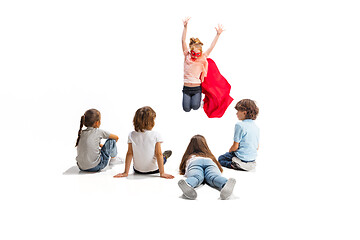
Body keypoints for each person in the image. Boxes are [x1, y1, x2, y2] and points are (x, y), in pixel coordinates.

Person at [113, 106, 174, 179]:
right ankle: (165, 157)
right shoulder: (156, 134)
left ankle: (163, 156)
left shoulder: (131, 134)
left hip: (138, 170)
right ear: (151, 122)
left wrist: (125, 172)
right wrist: (162, 173)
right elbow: (158, 154)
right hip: (154, 170)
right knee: (161, 156)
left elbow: (129, 153)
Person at [181, 17, 224, 112]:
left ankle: (200, 102)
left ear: (200, 53)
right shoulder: (187, 56)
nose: (195, 56)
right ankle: (193, 103)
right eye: (193, 54)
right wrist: (185, 26)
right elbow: (183, 41)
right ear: (190, 51)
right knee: (186, 109)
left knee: (195, 107)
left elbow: (211, 46)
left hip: (196, 88)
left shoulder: (202, 58)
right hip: (186, 88)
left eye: (198, 54)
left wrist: (217, 34)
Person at [178, 135, 236, 200]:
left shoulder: (189, 156)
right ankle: (225, 183)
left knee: (196, 177)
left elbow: (182, 167)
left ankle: (188, 184)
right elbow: (218, 166)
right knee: (213, 177)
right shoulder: (209, 155)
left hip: (194, 162)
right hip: (209, 162)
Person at [218, 99, 259, 171]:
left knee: (221, 159)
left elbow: (235, 146)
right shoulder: (256, 126)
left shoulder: (239, 125)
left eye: (238, 111)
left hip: (241, 156)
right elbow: (257, 147)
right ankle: (247, 164)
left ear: (244, 113)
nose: (236, 113)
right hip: (252, 158)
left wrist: (230, 151)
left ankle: (235, 165)